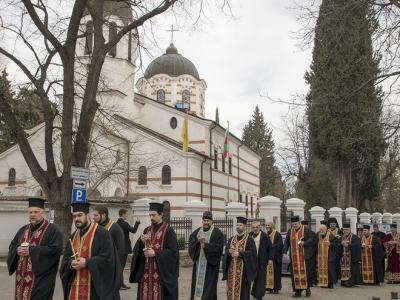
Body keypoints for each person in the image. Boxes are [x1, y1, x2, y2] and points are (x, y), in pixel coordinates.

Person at [60, 202, 122, 300]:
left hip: (95, 289)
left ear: (88, 215)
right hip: (75, 288)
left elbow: (109, 259)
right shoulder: (73, 237)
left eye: (80, 215)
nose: (77, 219)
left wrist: (87, 262)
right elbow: (65, 260)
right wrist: (71, 263)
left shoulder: (102, 233)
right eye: (74, 216)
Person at [7, 198, 63, 300]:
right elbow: (13, 245)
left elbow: (56, 250)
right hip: (21, 279)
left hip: (41, 280)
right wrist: (17, 250)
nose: (32, 214)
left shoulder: (52, 230)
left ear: (42, 212)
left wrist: (31, 250)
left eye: (35, 212)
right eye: (30, 212)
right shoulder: (23, 229)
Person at [129, 202, 179, 300]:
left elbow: (174, 253)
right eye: (150, 215)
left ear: (161, 215)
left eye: (154, 215)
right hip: (146, 274)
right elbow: (137, 251)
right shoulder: (147, 230)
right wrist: (141, 242)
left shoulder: (168, 231)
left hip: (161, 276)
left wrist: (156, 253)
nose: (151, 217)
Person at [188, 211, 224, 300]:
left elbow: (218, 248)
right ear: (202, 221)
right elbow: (191, 243)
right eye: (204, 220)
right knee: (197, 288)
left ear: (212, 221)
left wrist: (205, 246)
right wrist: (197, 243)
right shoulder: (197, 232)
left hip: (210, 267)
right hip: (198, 265)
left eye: (208, 220)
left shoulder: (217, 233)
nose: (206, 222)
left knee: (209, 290)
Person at [222, 216, 257, 300]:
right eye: (237, 225)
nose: (238, 227)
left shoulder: (249, 240)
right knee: (231, 291)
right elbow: (226, 250)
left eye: (240, 225)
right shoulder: (231, 239)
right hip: (231, 271)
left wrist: (240, 253)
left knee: (243, 293)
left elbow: (252, 254)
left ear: (244, 227)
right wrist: (229, 252)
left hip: (244, 273)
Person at [93, 205, 124, 291]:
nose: (93, 218)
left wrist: (114, 266)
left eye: (96, 215)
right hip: (97, 265)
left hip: (110, 267)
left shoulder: (115, 228)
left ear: (103, 215)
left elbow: (121, 250)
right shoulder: (96, 227)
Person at [283, 215, 313, 298]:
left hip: (304, 256)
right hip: (294, 257)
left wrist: (304, 243)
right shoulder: (290, 231)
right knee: (295, 274)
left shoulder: (306, 229)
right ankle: (297, 291)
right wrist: (284, 251)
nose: (294, 226)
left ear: (299, 223)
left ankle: (307, 288)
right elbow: (286, 242)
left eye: (296, 224)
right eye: (293, 224)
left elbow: (312, 239)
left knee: (306, 273)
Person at [116, 208, 140, 289]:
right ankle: (119, 285)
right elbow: (133, 230)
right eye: (126, 214)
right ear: (122, 214)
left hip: (118, 249)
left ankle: (121, 284)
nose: (127, 215)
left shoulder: (116, 223)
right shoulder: (124, 223)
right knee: (121, 267)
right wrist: (137, 222)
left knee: (120, 267)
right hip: (124, 249)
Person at [249, 221, 272, 300]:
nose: (255, 229)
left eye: (257, 227)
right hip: (251, 261)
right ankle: (253, 293)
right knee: (251, 278)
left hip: (261, 261)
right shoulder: (249, 235)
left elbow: (270, 248)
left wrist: (270, 259)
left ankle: (259, 296)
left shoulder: (264, 236)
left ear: (259, 227)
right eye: (253, 227)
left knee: (260, 279)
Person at [338, 223, 361, 287]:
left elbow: (357, 246)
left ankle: (350, 282)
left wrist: (348, 245)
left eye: (346, 229)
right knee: (343, 269)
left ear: (350, 230)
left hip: (352, 257)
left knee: (352, 269)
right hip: (343, 257)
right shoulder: (341, 238)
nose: (345, 231)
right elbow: (337, 247)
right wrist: (341, 245)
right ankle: (344, 281)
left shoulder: (355, 237)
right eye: (344, 230)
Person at [316, 224, 337, 289]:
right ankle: (323, 283)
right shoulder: (318, 235)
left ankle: (330, 284)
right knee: (321, 270)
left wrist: (330, 244)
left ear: (325, 229)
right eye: (320, 230)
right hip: (320, 256)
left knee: (329, 270)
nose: (321, 231)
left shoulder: (330, 235)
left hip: (329, 256)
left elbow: (336, 244)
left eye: (322, 230)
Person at [265, 221, 283, 294]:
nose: (267, 226)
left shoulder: (277, 234)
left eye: (268, 225)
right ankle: (269, 287)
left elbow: (280, 245)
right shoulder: (266, 235)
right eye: (266, 225)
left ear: (272, 226)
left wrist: (272, 247)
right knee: (268, 273)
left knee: (276, 274)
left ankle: (276, 288)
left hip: (276, 258)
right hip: (268, 257)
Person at [301, 220, 317, 286]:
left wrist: (304, 243)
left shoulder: (312, 233)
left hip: (310, 254)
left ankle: (310, 282)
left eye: (305, 226)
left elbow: (312, 242)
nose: (304, 227)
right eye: (303, 226)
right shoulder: (300, 233)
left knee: (310, 269)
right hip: (301, 254)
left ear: (308, 226)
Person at [328, 217, 342, 282]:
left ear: (336, 224)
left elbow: (343, 239)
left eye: (333, 224)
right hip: (330, 251)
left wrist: (339, 238)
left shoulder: (339, 231)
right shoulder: (327, 231)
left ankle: (337, 277)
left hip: (338, 251)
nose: (332, 226)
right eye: (331, 224)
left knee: (337, 265)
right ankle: (333, 279)